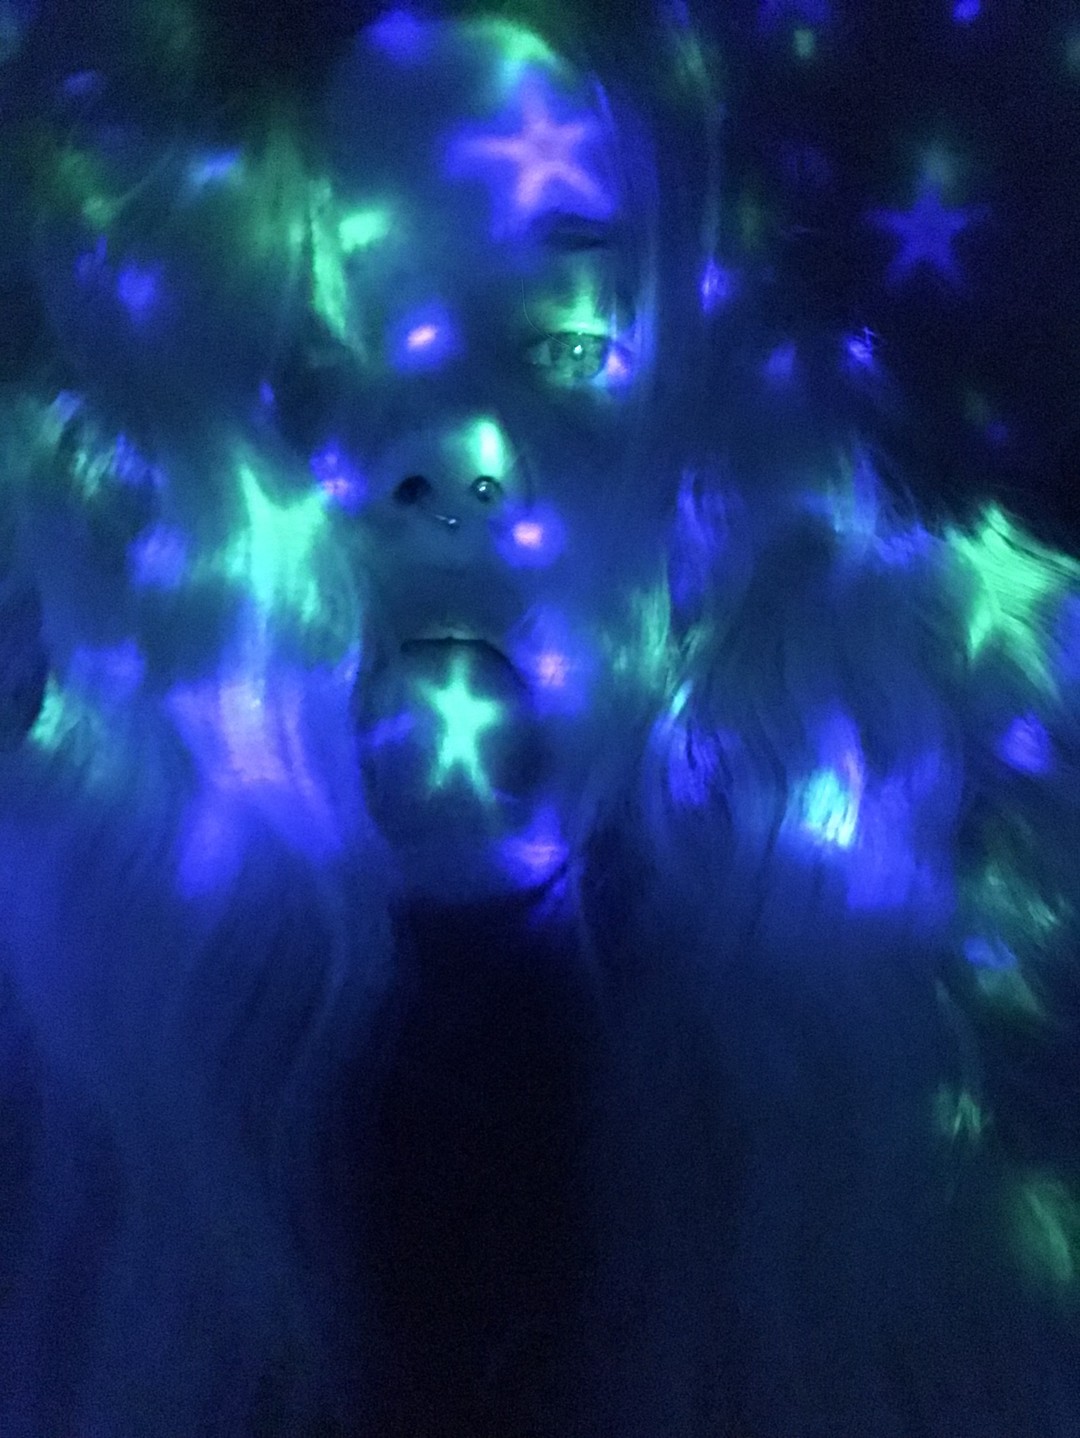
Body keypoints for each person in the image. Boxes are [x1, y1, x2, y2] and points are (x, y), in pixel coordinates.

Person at [0, 2, 1078, 1434]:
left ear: (703, 456)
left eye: (571, 344)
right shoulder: (49, 1116)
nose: (459, 456)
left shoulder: (936, 1139)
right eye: (312, 355)